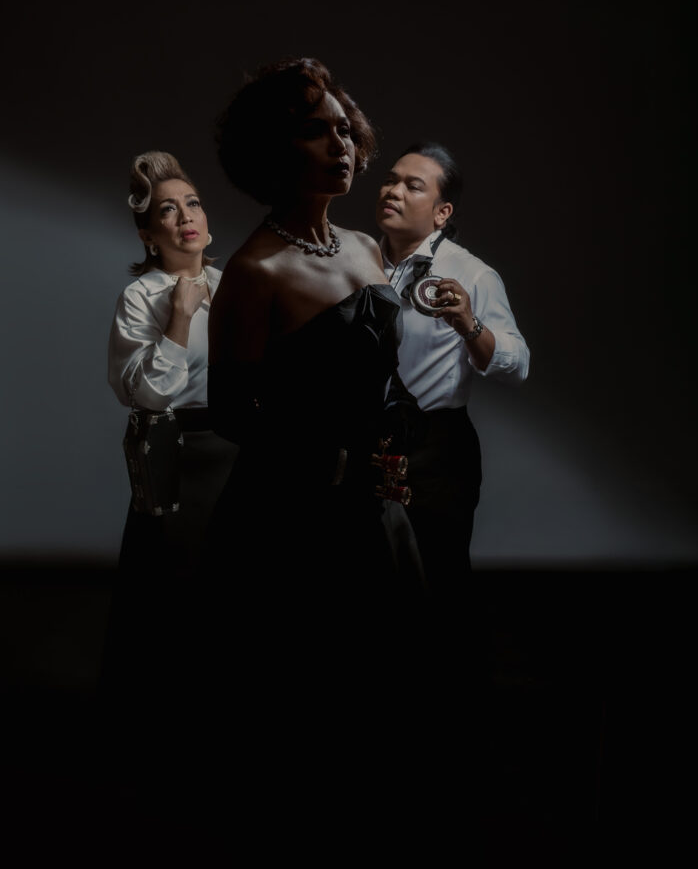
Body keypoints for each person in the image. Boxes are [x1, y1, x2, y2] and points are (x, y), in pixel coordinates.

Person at [200, 59, 429, 858]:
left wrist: (389, 452)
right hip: (291, 519)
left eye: (343, 129)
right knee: (301, 706)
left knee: (384, 693)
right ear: (273, 150)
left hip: (375, 506)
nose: (340, 146)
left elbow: (381, 378)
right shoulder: (255, 270)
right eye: (313, 131)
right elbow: (230, 411)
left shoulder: (366, 247)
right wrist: (326, 461)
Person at [376, 140, 530, 820]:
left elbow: (517, 363)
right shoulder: (352, 259)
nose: (392, 190)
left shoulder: (471, 274)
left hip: (435, 446)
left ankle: (451, 753)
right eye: (390, 179)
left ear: (441, 212)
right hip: (362, 441)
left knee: (437, 592)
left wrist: (469, 325)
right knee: (363, 587)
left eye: (412, 185)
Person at [100, 150, 237, 763]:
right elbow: (149, 395)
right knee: (170, 594)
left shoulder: (236, 286)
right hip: (175, 452)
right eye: (167, 211)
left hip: (239, 450)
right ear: (147, 236)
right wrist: (179, 318)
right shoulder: (140, 296)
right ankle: (159, 736)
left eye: (193, 203)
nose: (185, 217)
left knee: (234, 591)